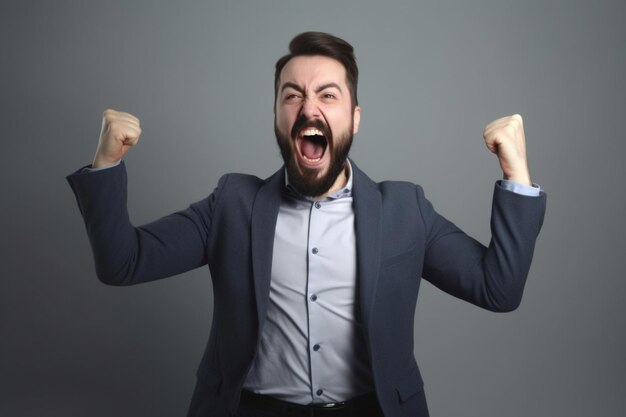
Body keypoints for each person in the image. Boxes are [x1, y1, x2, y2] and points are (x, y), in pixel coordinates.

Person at [67, 32, 546, 417]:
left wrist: (516, 175)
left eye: (327, 95)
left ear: (354, 119)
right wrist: (106, 162)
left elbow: (497, 289)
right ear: (277, 116)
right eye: (292, 95)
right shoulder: (231, 204)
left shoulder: (405, 209)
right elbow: (122, 262)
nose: (308, 108)